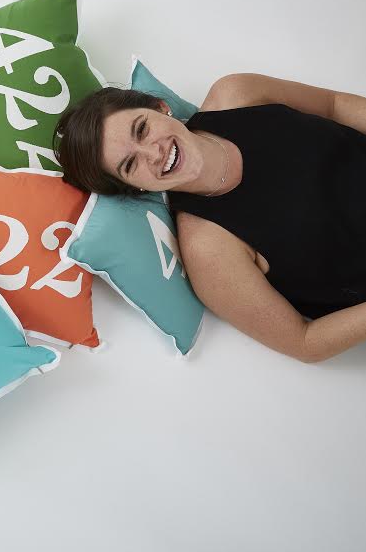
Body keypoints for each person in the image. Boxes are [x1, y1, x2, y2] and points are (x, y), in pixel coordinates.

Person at [56, 73, 366, 363]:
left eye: (142, 129)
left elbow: (334, 104)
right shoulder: (210, 253)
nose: (154, 153)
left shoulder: (237, 94)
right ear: (134, 187)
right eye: (130, 164)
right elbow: (304, 341)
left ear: (161, 108)